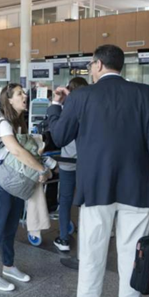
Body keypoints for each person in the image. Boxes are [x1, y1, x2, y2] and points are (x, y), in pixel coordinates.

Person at [47, 45, 149, 297]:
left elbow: (59, 135)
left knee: (92, 258)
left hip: (96, 189)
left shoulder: (81, 96)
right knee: (133, 264)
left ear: (100, 65)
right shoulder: (146, 95)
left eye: (91, 65)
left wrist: (58, 106)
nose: (90, 70)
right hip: (139, 191)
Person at [0, 84, 50, 292]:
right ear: (9, 100)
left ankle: (9, 266)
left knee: (10, 228)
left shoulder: (18, 123)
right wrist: (41, 169)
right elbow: (17, 151)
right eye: (19, 94)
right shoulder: (3, 123)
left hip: (16, 182)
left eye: (24, 93)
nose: (25, 96)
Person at [53, 77, 88, 252]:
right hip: (85, 163)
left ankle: (64, 239)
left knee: (65, 200)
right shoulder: (90, 107)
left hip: (67, 162)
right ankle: (86, 240)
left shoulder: (67, 109)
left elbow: (58, 135)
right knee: (85, 201)